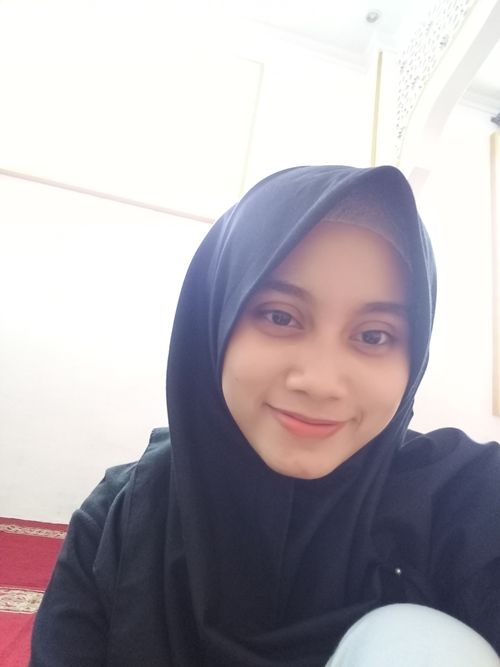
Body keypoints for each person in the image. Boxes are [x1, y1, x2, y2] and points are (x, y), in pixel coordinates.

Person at [30, 165, 500, 666]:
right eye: (280, 316)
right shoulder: (124, 520)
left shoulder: (461, 502)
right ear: (216, 321)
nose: (320, 381)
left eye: (374, 335)